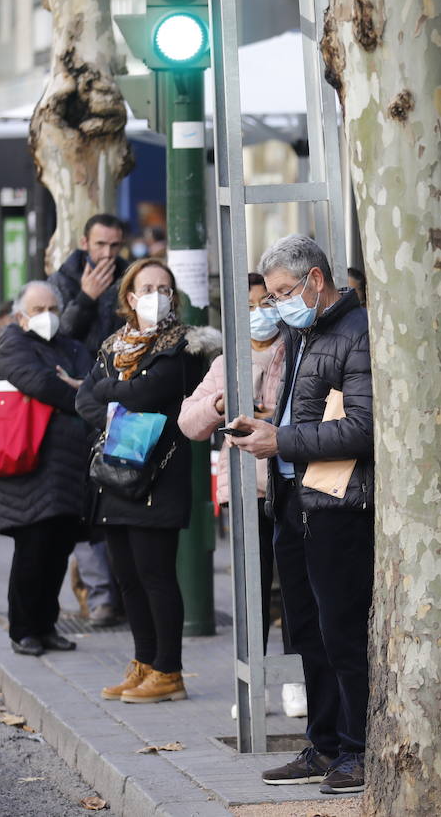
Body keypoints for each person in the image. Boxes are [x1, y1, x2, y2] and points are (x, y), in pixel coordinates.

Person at [230, 234, 374, 796]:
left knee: (341, 630)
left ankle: (357, 749)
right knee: (308, 633)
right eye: (271, 296)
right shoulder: (304, 329)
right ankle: (325, 743)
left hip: (337, 504)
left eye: (284, 292)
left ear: (316, 280)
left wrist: (282, 439)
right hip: (295, 500)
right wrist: (266, 424)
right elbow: (305, 408)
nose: (276, 305)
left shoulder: (355, 332)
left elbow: (363, 428)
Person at [75, 258, 218, 703]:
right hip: (115, 475)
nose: (156, 295)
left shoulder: (182, 347)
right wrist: (123, 416)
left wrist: (111, 396)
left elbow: (148, 393)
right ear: (131, 298)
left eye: (164, 288)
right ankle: (144, 662)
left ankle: (169, 671)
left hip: (159, 475)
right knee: (128, 576)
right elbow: (84, 398)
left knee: (156, 573)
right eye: (147, 287)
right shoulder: (113, 344)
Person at [179, 272, 306, 718]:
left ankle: (295, 678)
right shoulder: (225, 363)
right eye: (250, 306)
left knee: (295, 587)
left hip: (292, 484)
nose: (260, 313)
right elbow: (189, 422)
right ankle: (251, 679)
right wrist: (220, 406)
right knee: (251, 588)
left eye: (267, 302)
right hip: (245, 491)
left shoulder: (298, 351)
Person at [0, 281, 92, 656]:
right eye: (37, 310)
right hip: (27, 464)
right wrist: (78, 394)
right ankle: (23, 629)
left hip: (68, 467)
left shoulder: (71, 346)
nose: (46, 317)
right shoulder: (13, 344)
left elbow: (92, 379)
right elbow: (38, 383)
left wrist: (78, 390)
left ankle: (47, 625)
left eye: (52, 309)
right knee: (32, 548)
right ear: (20, 316)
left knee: (58, 549)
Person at [49, 213, 128, 628]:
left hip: (119, 400)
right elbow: (60, 334)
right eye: (100, 245)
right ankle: (100, 597)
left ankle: (122, 596)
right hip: (77, 404)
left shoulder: (130, 278)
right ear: (85, 242)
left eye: (114, 246)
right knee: (85, 508)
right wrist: (85, 298)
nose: (107, 254)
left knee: (119, 498)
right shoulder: (64, 279)